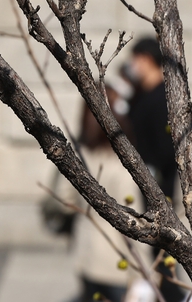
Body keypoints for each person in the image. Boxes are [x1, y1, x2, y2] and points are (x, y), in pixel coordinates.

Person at [59, 87, 148, 302]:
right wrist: (145, 274)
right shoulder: (123, 167)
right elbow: (136, 223)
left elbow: (65, 200)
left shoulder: (80, 156)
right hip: (116, 263)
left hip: (86, 255)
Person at [125, 38, 177, 201]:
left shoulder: (164, 97)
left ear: (145, 59)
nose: (132, 66)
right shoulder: (140, 95)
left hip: (157, 186)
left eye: (134, 59)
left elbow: (166, 148)